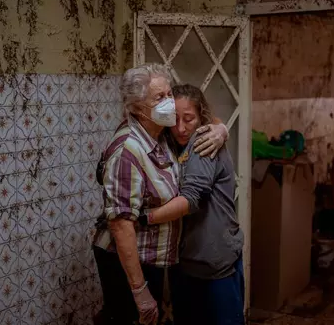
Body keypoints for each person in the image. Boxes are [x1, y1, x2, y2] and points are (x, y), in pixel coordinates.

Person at [92, 64, 229, 325]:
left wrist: (221, 130)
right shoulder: (128, 151)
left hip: (152, 258)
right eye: (159, 97)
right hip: (127, 262)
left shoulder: (161, 132)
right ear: (136, 108)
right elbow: (121, 225)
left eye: (168, 94)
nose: (169, 103)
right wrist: (139, 291)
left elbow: (202, 116)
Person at [138, 84, 245, 325]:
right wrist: (222, 126)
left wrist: (145, 218)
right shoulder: (170, 140)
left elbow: (192, 199)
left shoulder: (203, 141)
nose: (181, 128)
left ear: (201, 118)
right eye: (174, 119)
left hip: (214, 261)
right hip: (187, 261)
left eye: (189, 119)